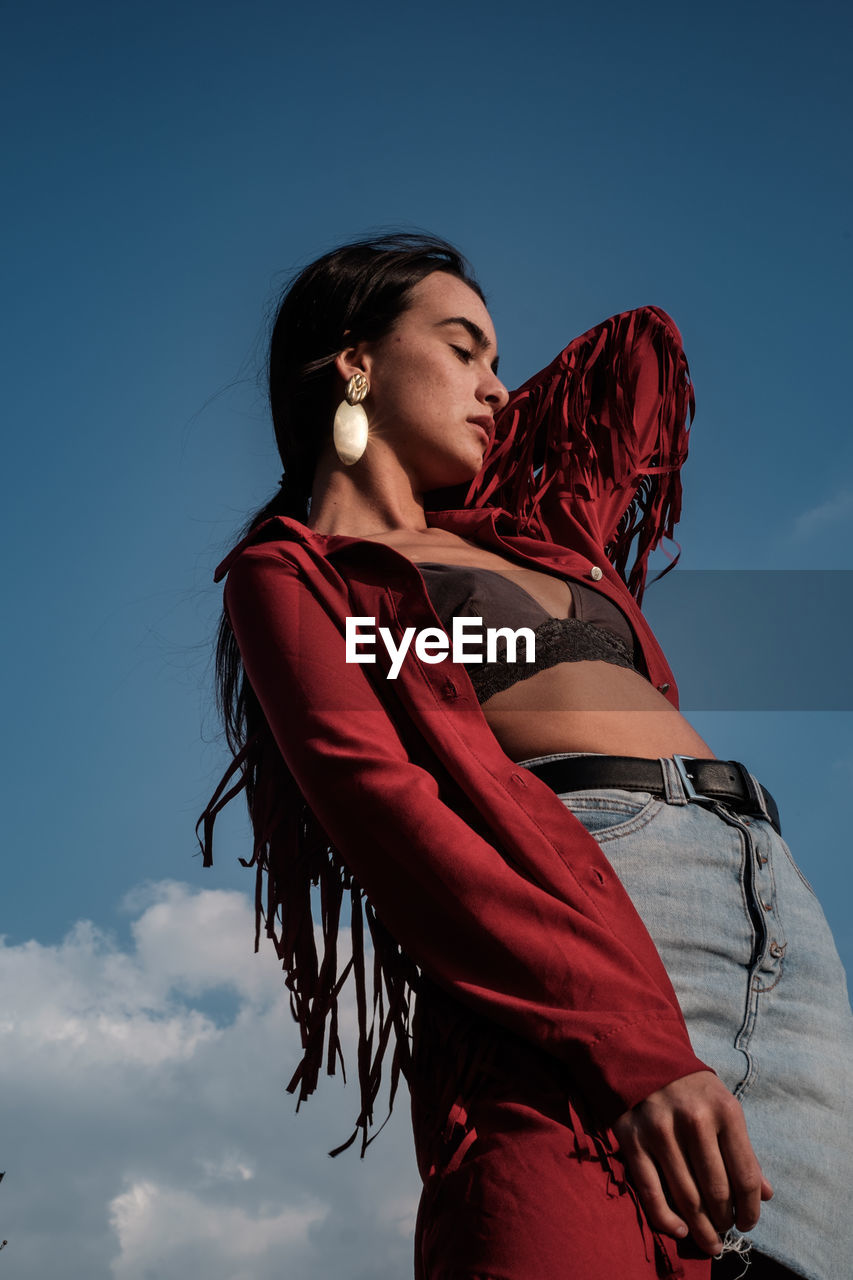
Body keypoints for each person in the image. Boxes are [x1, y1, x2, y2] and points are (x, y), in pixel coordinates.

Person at [197, 233, 853, 1280]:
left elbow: (639, 357)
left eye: (502, 362)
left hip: (773, 907)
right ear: (354, 359)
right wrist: (633, 1053)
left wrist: (462, 398)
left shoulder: (529, 532)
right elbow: (396, 819)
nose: (498, 388)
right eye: (464, 350)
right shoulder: (299, 575)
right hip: (583, 902)